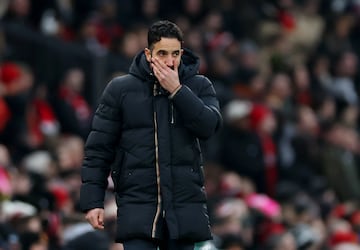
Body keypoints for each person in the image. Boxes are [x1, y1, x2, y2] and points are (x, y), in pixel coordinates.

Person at [79, 20, 222, 250]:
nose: (169, 61)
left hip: (183, 208)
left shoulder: (199, 86)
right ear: (148, 53)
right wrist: (92, 202)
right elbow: (98, 149)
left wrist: (178, 91)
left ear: (182, 52)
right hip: (138, 207)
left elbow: (209, 127)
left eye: (175, 53)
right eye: (162, 53)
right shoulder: (120, 90)